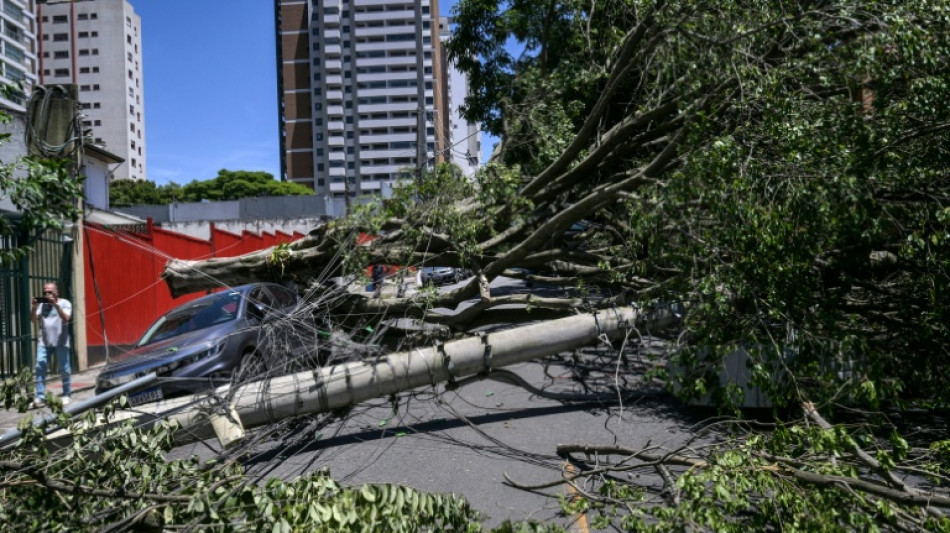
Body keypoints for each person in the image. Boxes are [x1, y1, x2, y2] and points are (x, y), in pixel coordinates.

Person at [31, 282, 72, 407]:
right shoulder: (41, 305)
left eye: (50, 292)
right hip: (44, 342)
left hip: (61, 341)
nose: (47, 294)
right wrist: (34, 307)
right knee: (40, 366)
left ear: (56, 292)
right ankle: (40, 396)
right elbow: (33, 320)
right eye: (45, 292)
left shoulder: (65, 303)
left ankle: (66, 394)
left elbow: (66, 318)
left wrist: (56, 305)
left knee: (64, 369)